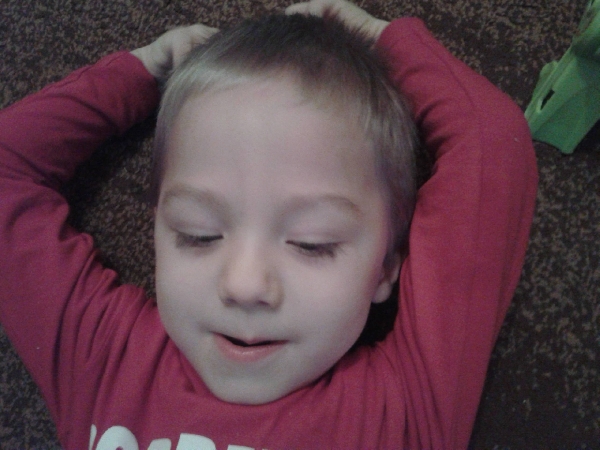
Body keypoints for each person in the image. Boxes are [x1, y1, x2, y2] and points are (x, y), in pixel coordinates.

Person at [0, 0, 538, 449]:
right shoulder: (101, 358)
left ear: (384, 268)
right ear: (157, 231)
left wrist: (381, 40)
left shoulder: (406, 406)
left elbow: (492, 145)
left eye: (312, 244)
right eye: (197, 234)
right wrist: (140, 73)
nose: (244, 285)